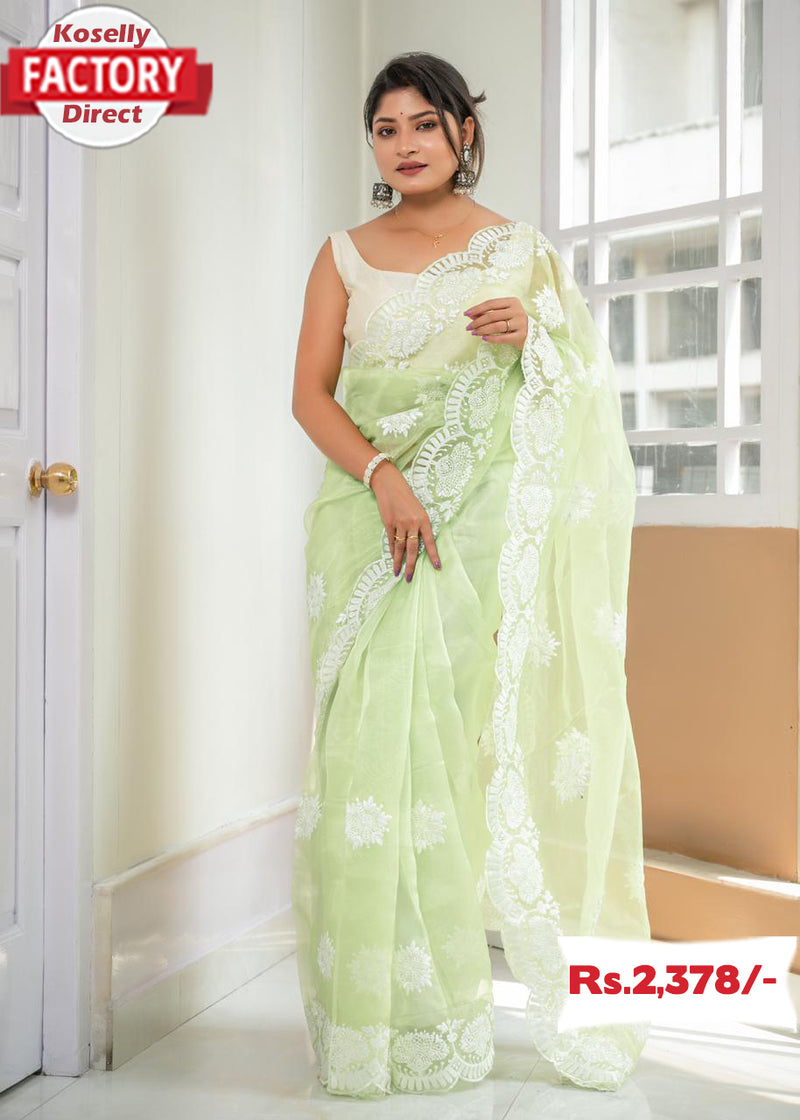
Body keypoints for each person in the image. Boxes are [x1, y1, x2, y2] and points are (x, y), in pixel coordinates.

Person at [290, 50, 651, 1099]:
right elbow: (310, 395)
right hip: (366, 524)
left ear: (463, 133)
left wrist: (533, 336)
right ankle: (373, 1021)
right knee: (364, 759)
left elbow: (581, 388)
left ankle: (446, 1015)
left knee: (448, 759)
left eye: (423, 124)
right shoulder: (343, 256)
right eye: (385, 128)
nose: (403, 145)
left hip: (476, 534)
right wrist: (383, 478)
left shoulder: (518, 253)